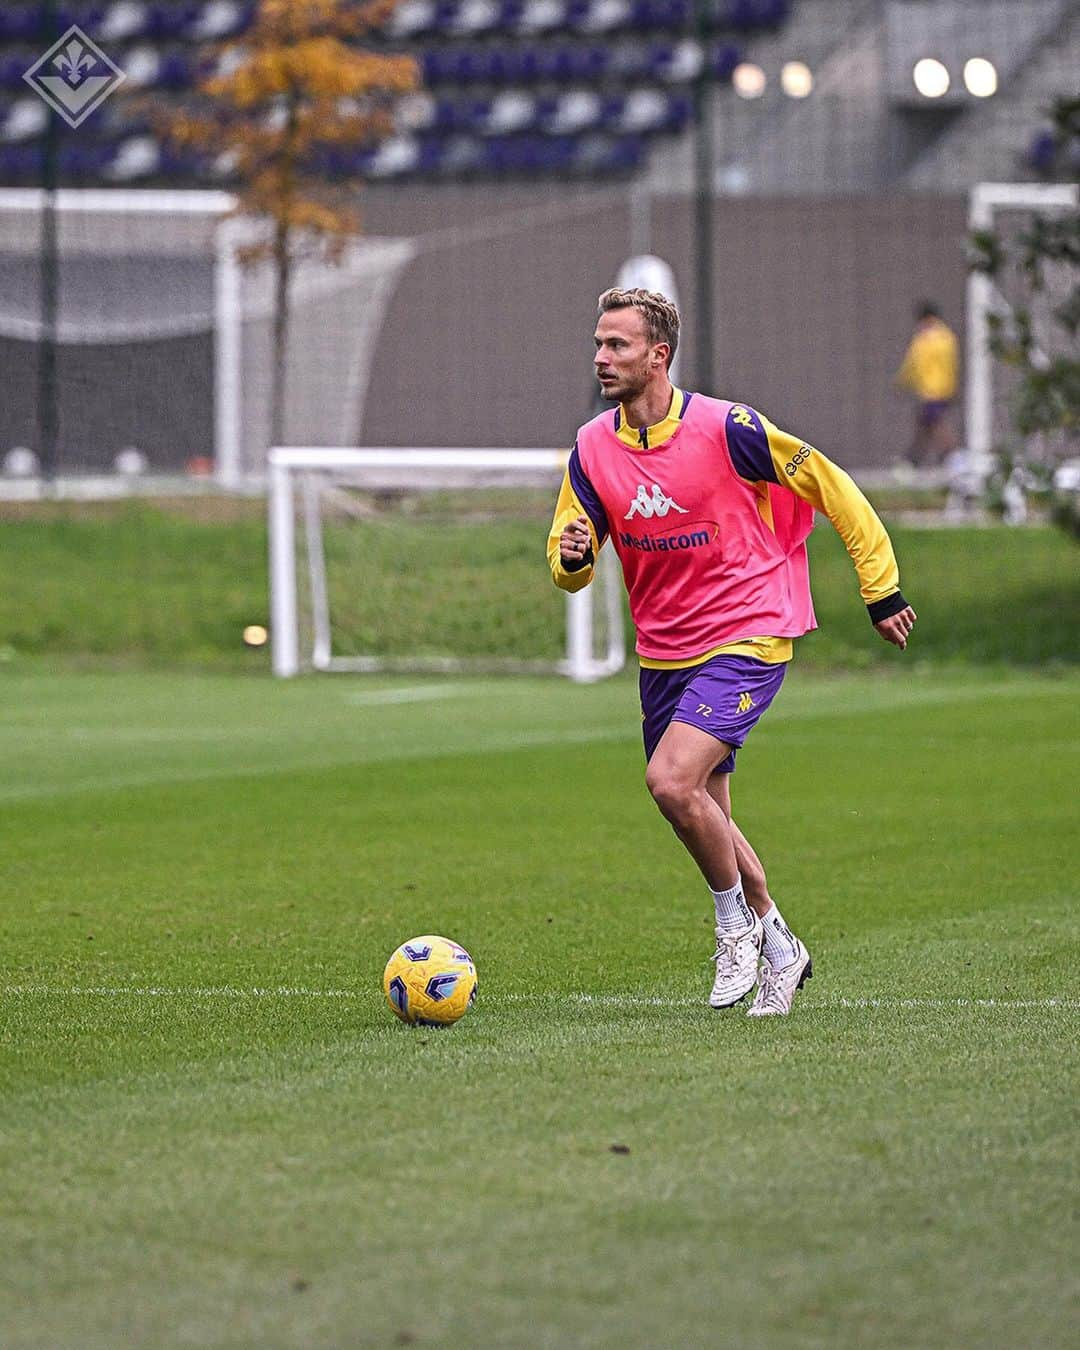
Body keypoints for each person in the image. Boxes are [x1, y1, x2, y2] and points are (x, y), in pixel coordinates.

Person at [547, 287, 916, 1017]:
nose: (600, 357)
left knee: (670, 783)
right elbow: (570, 563)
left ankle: (733, 928)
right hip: (664, 652)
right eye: (597, 343)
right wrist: (573, 554)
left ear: (659, 356)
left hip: (749, 631)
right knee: (703, 806)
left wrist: (882, 589)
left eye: (616, 345)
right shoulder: (592, 447)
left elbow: (832, 485)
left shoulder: (729, 428)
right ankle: (780, 944)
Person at [895, 301, 960, 468]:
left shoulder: (934, 338)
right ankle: (915, 458)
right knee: (926, 424)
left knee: (935, 423)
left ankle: (952, 456)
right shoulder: (940, 337)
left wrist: (903, 380)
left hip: (935, 389)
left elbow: (916, 362)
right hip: (932, 389)